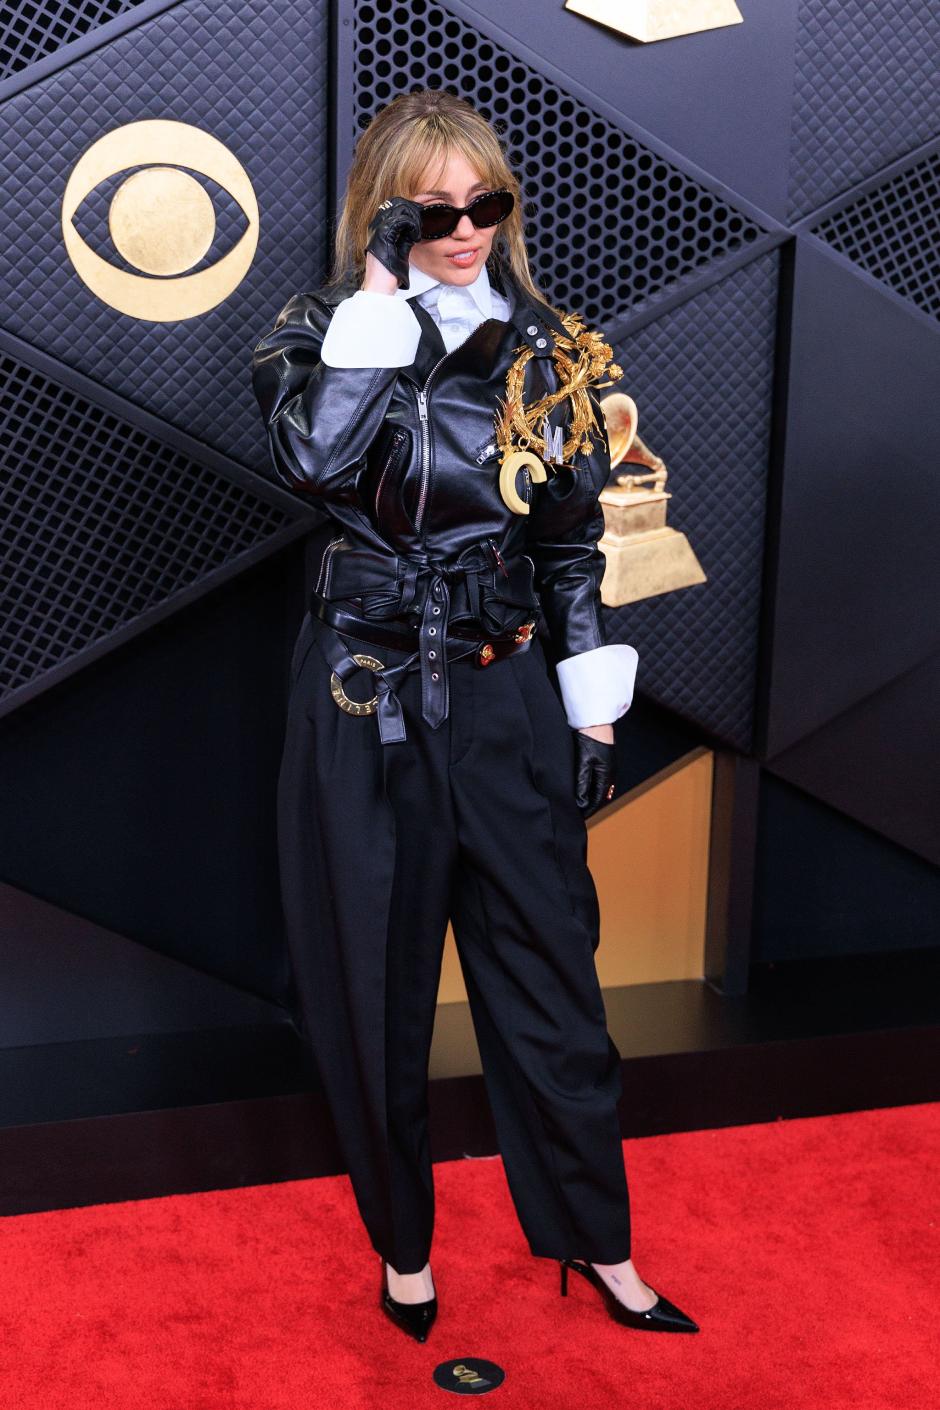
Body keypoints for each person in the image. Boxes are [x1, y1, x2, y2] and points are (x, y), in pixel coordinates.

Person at [250, 88, 698, 1342]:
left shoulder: (553, 351)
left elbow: (568, 549)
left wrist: (592, 715)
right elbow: (313, 465)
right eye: (429, 211)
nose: (463, 230)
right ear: (380, 217)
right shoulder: (318, 332)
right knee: (370, 988)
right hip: (363, 698)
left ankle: (598, 1242)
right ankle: (404, 1253)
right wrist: (378, 304)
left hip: (504, 695)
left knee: (552, 980)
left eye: (482, 204)